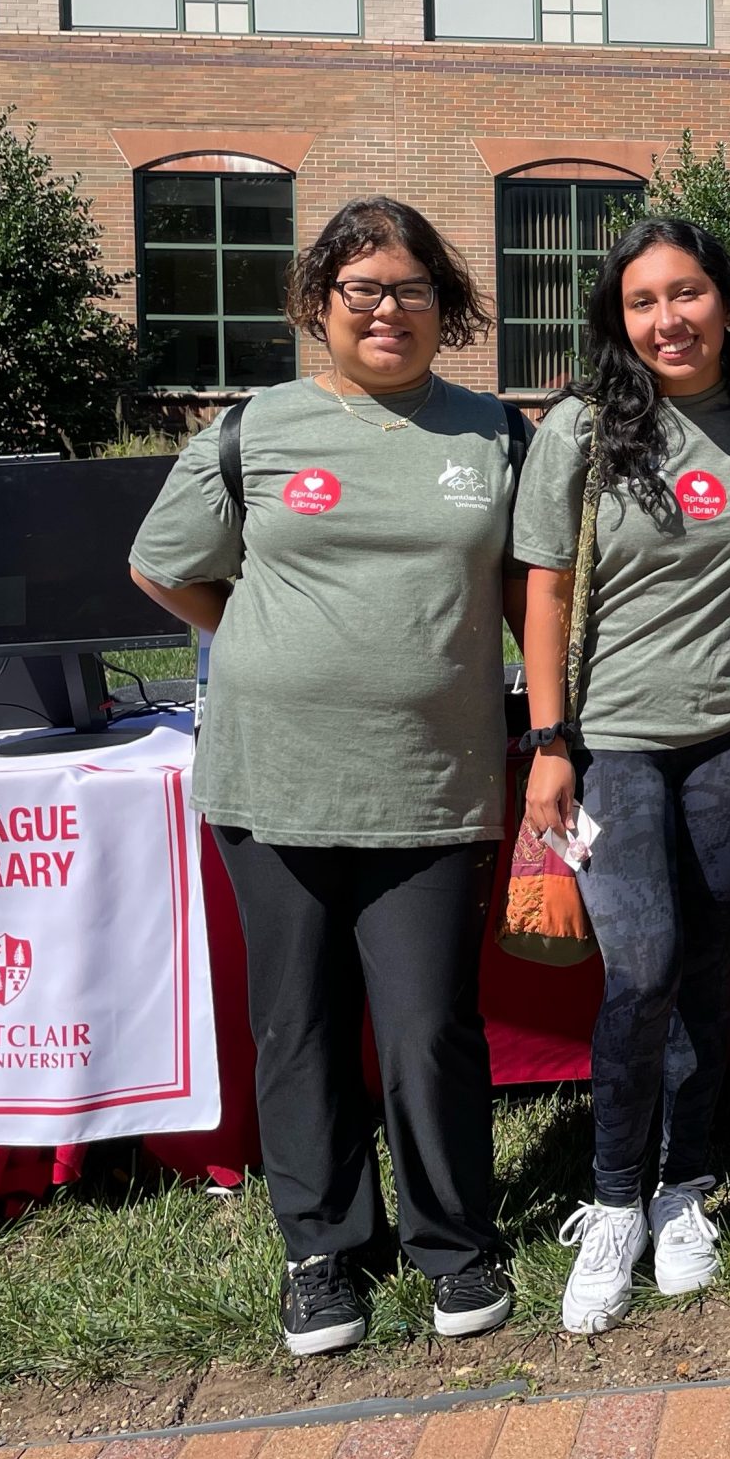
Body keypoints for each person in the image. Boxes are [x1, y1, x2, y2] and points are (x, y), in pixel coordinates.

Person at [129, 197, 520, 1357]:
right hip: (274, 779)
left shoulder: (496, 436)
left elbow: (534, 590)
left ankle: (453, 1239)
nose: (387, 309)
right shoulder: (255, 430)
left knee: (428, 1026)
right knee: (297, 1024)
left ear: (445, 304)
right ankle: (322, 1249)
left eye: (410, 288)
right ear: (318, 303)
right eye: (362, 288)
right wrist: (264, 636)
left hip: (432, 783)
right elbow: (163, 566)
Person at [516, 218, 730, 1332]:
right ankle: (612, 1200)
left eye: (686, 293)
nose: (667, 319)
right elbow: (544, 586)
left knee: (702, 967)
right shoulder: (584, 427)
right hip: (613, 740)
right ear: (618, 319)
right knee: (638, 969)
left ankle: (683, 1184)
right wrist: (550, 740)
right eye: (642, 302)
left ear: (722, 299)